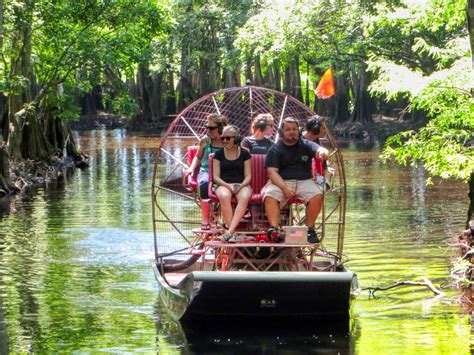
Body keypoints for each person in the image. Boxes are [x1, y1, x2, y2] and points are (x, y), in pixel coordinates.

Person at [262, 117, 329, 243]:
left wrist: (323, 152)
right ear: (282, 132)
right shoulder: (275, 149)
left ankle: (309, 229)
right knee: (270, 195)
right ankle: (274, 229)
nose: (291, 132)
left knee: (317, 195)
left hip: (304, 181)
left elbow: (318, 149)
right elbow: (271, 173)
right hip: (281, 181)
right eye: (288, 130)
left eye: (294, 129)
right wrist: (284, 188)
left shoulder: (306, 144)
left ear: (298, 131)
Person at [186, 113, 228, 229]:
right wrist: (191, 168)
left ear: (220, 129)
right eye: (206, 127)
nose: (207, 130)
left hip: (223, 172)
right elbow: (198, 157)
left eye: (211, 128)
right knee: (204, 184)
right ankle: (205, 221)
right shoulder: (205, 141)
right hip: (206, 171)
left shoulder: (228, 141)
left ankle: (226, 219)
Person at [212, 125, 252, 242]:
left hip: (241, 184)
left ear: (237, 138)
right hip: (223, 184)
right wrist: (228, 186)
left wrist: (241, 185)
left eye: (228, 138)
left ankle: (229, 233)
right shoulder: (218, 154)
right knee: (224, 196)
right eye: (223, 138)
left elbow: (248, 176)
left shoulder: (245, 154)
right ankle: (232, 233)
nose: (225, 140)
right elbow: (215, 177)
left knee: (244, 196)